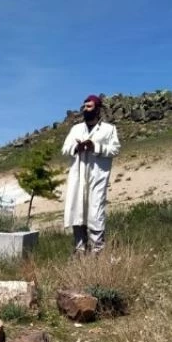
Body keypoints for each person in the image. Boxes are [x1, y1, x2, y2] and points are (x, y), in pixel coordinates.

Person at [61, 95, 120, 254]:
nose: (85, 109)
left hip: (97, 176)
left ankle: (97, 251)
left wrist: (96, 147)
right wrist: (76, 148)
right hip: (78, 176)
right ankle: (80, 249)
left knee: (95, 211)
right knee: (77, 210)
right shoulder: (76, 129)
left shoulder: (109, 129)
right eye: (84, 106)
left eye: (89, 107)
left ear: (98, 109)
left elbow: (115, 149)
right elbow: (65, 149)